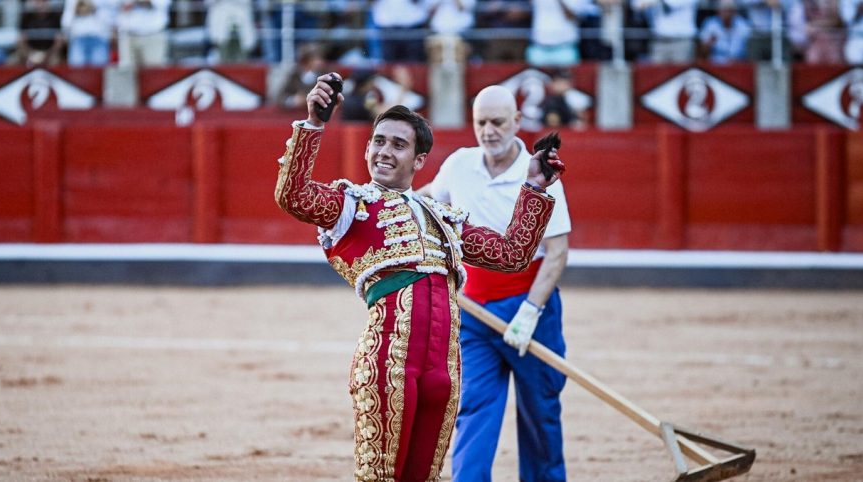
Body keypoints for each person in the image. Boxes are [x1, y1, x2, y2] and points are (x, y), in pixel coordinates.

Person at [274, 73, 564, 481]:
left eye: (398, 144)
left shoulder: (442, 218)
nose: (384, 152)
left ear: (420, 160)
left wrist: (534, 186)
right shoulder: (351, 206)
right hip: (389, 362)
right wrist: (314, 124)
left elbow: (512, 254)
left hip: (444, 370)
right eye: (378, 141)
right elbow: (294, 196)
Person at [418, 85, 572, 481]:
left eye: (498, 122)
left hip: (529, 307)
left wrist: (531, 311)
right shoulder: (459, 165)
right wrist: (386, 206)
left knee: (540, 413)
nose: (488, 130)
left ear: (517, 122)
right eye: (480, 122)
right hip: (473, 311)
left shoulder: (541, 175)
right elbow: (425, 201)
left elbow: (556, 253)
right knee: (472, 409)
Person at [631, 0, 700, 63]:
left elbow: (671, 3)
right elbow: (636, 5)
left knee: (680, 74)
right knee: (656, 74)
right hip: (658, 42)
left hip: (681, 42)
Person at [115, 0, 170, 67]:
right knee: (127, 71)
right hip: (127, 35)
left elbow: (155, 4)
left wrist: (134, 2)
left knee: (153, 70)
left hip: (152, 35)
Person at [61, 0, 116, 67]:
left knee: (99, 71)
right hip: (78, 37)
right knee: (76, 71)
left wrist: (94, 7)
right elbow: (68, 16)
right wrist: (65, 32)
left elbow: (111, 12)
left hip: (100, 37)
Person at [16, 0, 66, 67]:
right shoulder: (27, 16)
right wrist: (30, 55)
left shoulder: (55, 17)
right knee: (14, 61)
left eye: (43, 1)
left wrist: (47, 55)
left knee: (56, 60)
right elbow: (21, 38)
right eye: (38, 1)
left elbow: (60, 38)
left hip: (50, 53)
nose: (41, 4)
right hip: (31, 52)